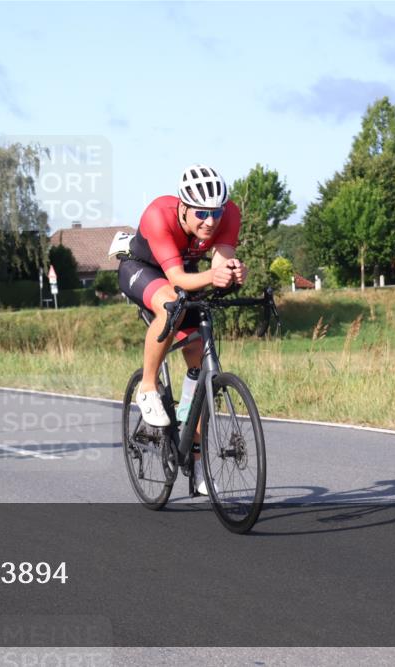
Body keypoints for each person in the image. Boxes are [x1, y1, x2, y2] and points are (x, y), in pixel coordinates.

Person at [117, 164, 248, 494]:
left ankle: (197, 457)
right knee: (170, 303)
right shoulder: (158, 216)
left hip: (183, 268)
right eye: (201, 213)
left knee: (199, 365)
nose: (210, 221)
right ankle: (147, 386)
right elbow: (176, 280)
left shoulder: (229, 214)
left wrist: (231, 273)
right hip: (142, 268)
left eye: (216, 212)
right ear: (184, 207)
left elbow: (220, 262)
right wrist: (210, 278)